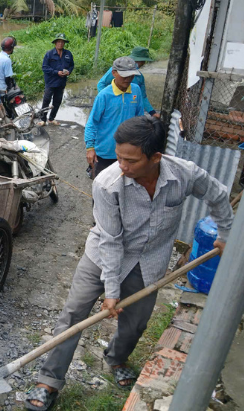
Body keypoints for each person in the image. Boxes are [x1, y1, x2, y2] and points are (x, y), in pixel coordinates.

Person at [25, 116, 233, 411]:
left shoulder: (184, 174)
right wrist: (111, 292)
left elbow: (219, 195)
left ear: (156, 157)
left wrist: (226, 233)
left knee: (136, 323)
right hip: (102, 258)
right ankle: (49, 380)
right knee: (74, 314)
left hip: (149, 261)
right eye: (119, 156)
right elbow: (111, 241)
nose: (121, 165)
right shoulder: (107, 183)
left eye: (131, 160)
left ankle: (116, 358)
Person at [85, 57, 144, 179]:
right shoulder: (104, 96)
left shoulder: (136, 91)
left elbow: (140, 119)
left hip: (128, 152)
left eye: (131, 75)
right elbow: (92, 123)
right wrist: (90, 148)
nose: (128, 79)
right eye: (124, 75)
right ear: (114, 73)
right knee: (102, 188)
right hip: (105, 153)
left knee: (125, 186)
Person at [97, 47, 159, 118]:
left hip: (128, 107)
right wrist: (107, 100)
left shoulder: (139, 78)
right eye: (143, 61)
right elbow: (101, 84)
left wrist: (152, 112)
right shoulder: (117, 70)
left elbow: (143, 97)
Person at [38, 33, 75, 126]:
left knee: (57, 101)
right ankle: (43, 119)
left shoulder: (68, 54)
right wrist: (56, 72)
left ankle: (51, 118)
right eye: (59, 42)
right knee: (46, 100)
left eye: (62, 42)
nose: (60, 44)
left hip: (61, 82)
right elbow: (45, 67)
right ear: (55, 43)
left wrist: (68, 72)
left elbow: (71, 65)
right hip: (51, 82)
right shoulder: (49, 54)